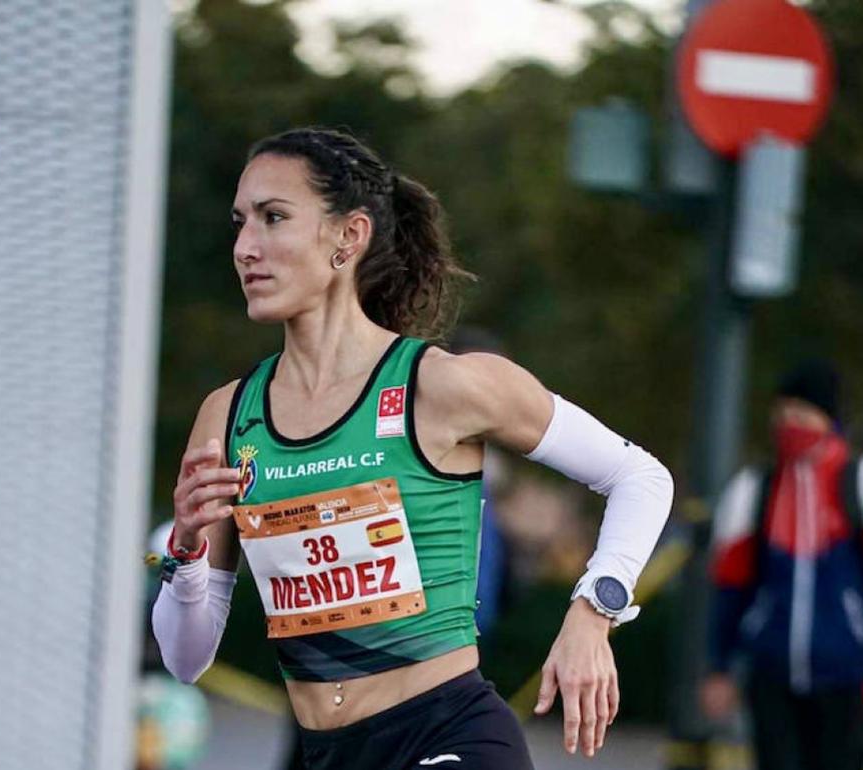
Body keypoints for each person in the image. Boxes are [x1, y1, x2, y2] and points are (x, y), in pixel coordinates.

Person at [151, 126, 674, 769]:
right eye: (240, 223)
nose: (245, 247)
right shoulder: (227, 416)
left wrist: (594, 615)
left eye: (273, 218)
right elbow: (185, 657)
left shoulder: (442, 385)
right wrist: (187, 546)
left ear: (350, 236)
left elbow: (640, 476)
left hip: (445, 739)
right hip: (322, 752)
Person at [700, 361, 863, 770]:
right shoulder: (754, 490)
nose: (790, 426)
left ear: (827, 419)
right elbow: (731, 587)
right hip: (771, 673)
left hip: (849, 675)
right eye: (783, 415)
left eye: (801, 416)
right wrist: (720, 667)